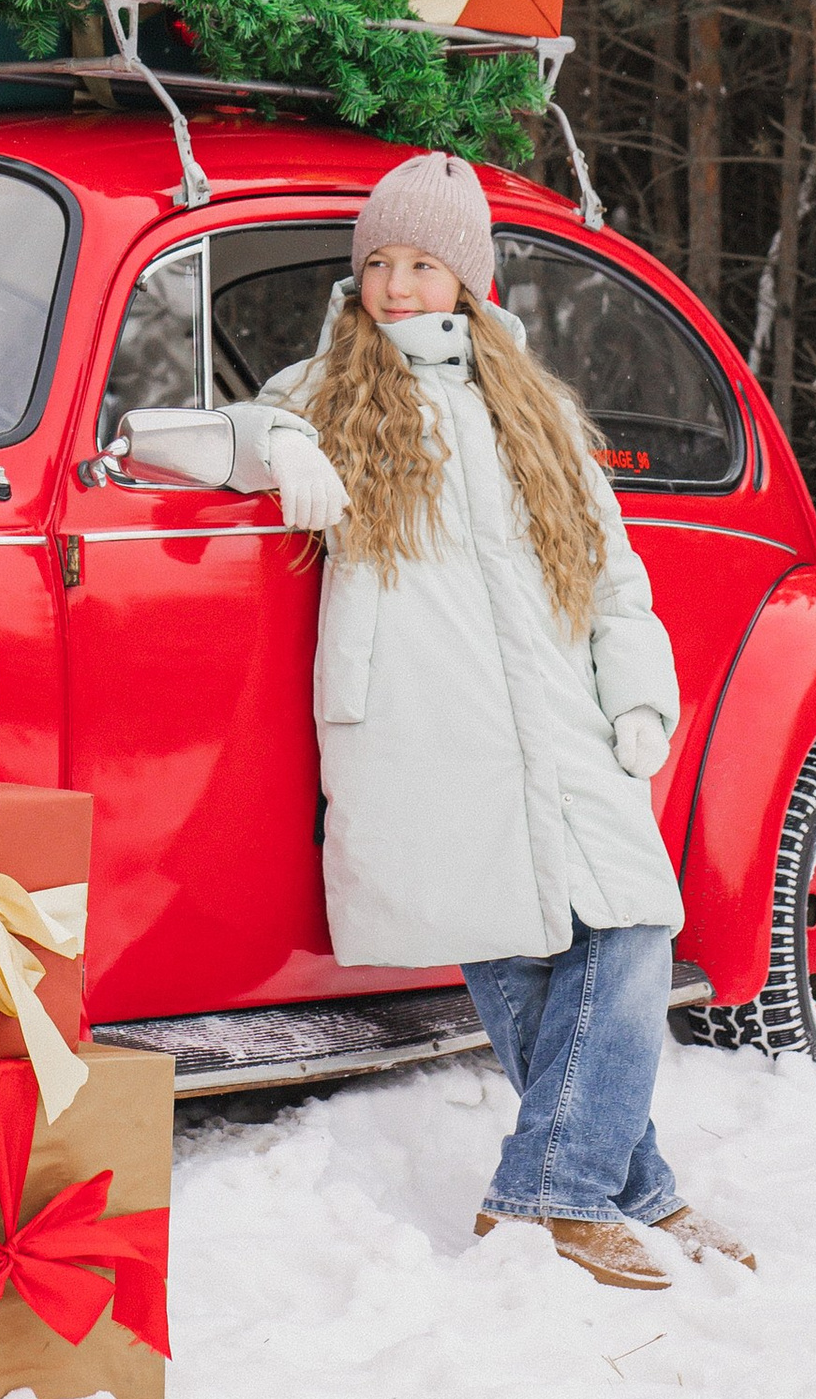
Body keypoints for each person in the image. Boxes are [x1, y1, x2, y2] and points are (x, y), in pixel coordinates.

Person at [256, 151, 754, 1293]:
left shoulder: (529, 407)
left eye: (420, 264)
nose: (393, 286)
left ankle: (573, 1190)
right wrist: (280, 448)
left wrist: (633, 694)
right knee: (516, 958)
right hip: (431, 729)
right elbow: (217, 433)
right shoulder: (321, 393)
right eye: (377, 262)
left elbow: (612, 574)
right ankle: (616, 1190)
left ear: (467, 279)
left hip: (560, 720)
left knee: (629, 928)